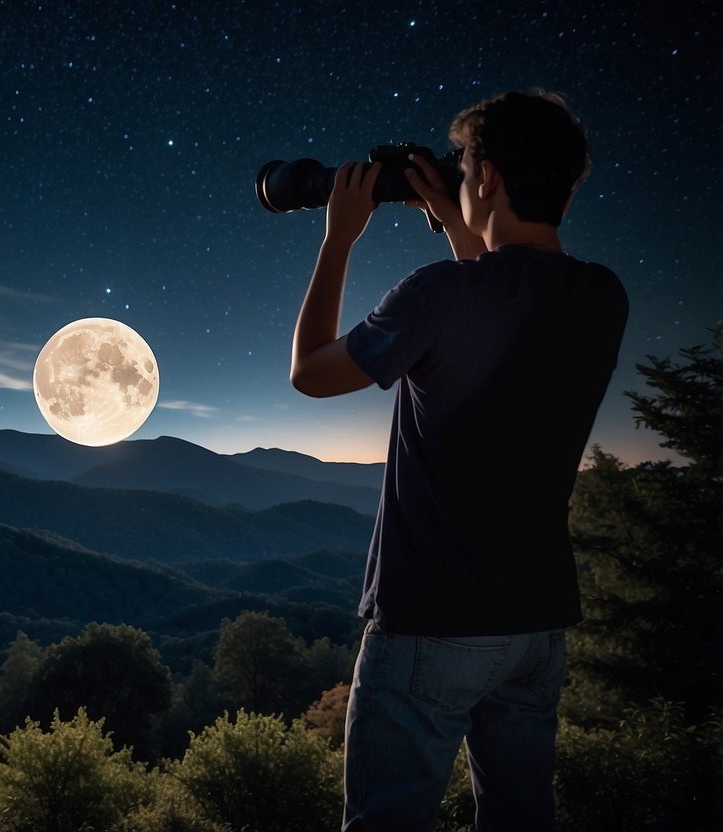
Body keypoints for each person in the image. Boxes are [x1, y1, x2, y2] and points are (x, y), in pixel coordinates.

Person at [289, 91, 629, 831]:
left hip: (431, 618)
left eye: (467, 167)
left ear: (491, 179)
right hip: (535, 622)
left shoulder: (439, 293)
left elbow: (311, 373)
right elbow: (503, 297)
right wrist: (456, 218)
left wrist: (337, 239)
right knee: (519, 817)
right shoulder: (602, 296)